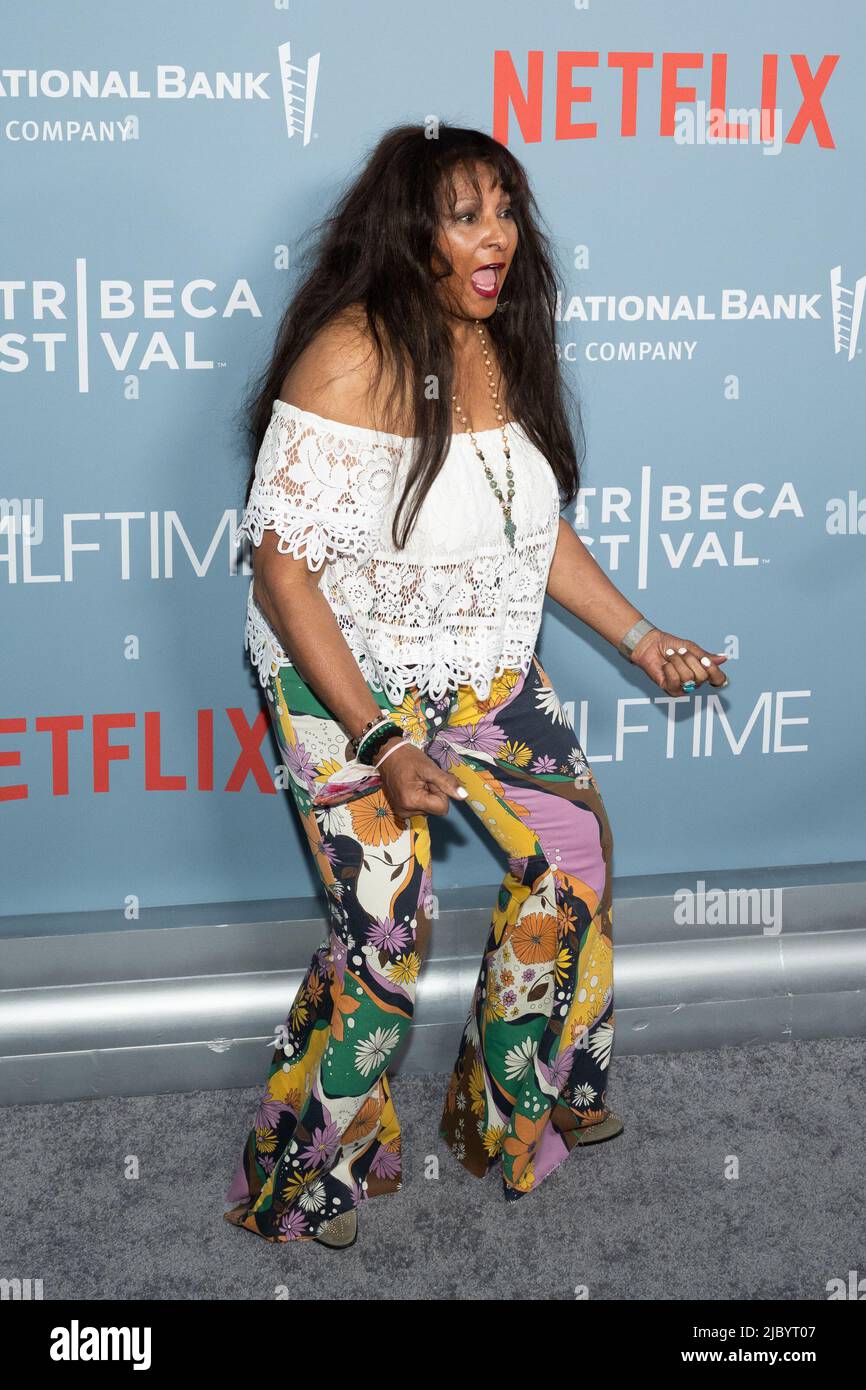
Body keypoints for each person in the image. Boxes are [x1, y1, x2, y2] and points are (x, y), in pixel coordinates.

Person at [223, 123, 729, 1251]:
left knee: (573, 864)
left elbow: (527, 530)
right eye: (465, 212)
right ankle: (308, 1167)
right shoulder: (348, 354)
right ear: (413, 233)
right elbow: (282, 567)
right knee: (385, 947)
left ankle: (504, 1108)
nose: (495, 232)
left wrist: (640, 635)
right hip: (340, 686)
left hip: (480, 668)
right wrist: (379, 739)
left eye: (504, 206)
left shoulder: (500, 341)